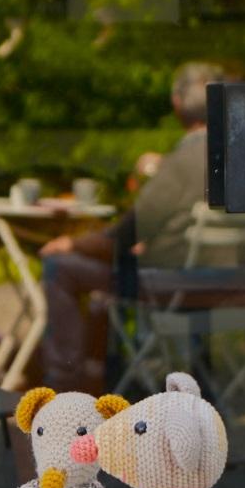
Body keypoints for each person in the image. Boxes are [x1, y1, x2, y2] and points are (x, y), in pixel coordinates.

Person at [35, 61, 220, 392]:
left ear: (177, 104)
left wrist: (72, 244)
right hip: (232, 282)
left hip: (173, 283)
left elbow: (121, 239)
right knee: (105, 291)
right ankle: (97, 375)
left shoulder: (180, 164)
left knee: (60, 267)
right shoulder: (236, 158)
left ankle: (64, 390)